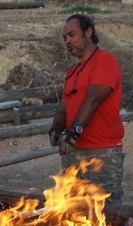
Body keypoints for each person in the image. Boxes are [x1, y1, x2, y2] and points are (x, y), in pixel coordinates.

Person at [49, 14, 125, 205]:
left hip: (101, 153)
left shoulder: (105, 61)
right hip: (71, 153)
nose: (67, 40)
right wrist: (56, 129)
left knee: (105, 212)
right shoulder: (72, 72)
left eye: (72, 35)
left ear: (88, 32)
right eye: (65, 37)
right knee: (69, 211)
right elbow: (64, 106)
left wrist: (73, 133)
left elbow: (93, 99)